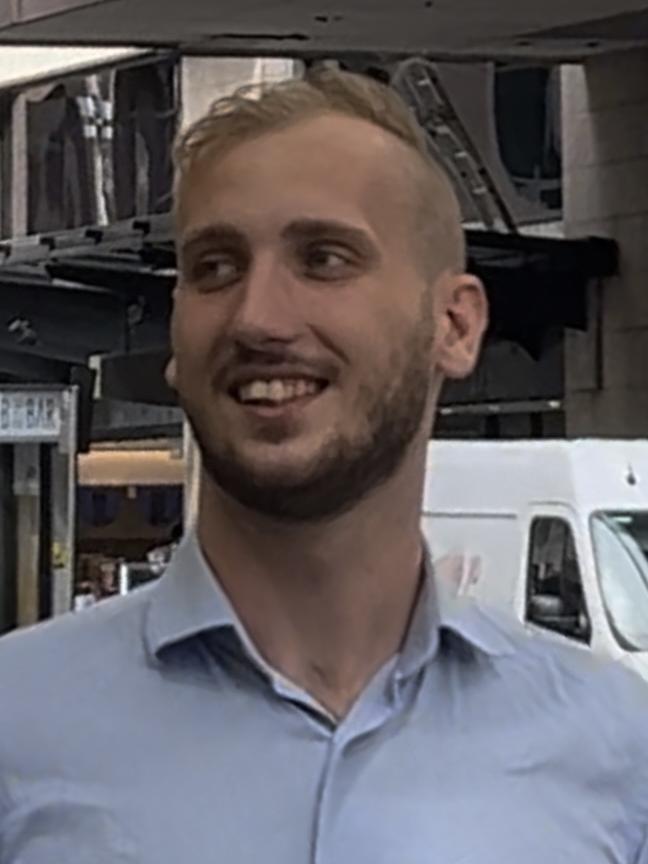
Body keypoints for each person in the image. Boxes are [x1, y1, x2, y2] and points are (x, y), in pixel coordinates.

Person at [0, 67, 647, 864]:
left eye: (325, 259)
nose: (258, 317)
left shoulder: (614, 750)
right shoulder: (18, 729)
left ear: (454, 325)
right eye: (214, 268)